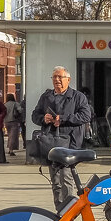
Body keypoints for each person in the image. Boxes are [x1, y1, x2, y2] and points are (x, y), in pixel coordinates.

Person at [32, 66, 94, 209]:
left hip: (70, 143)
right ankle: (60, 210)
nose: (57, 80)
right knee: (55, 179)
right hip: (51, 142)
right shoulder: (46, 96)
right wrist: (43, 118)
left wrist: (63, 118)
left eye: (60, 77)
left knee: (66, 177)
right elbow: (34, 115)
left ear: (68, 80)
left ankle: (69, 210)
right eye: (54, 77)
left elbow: (86, 116)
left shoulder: (78, 97)